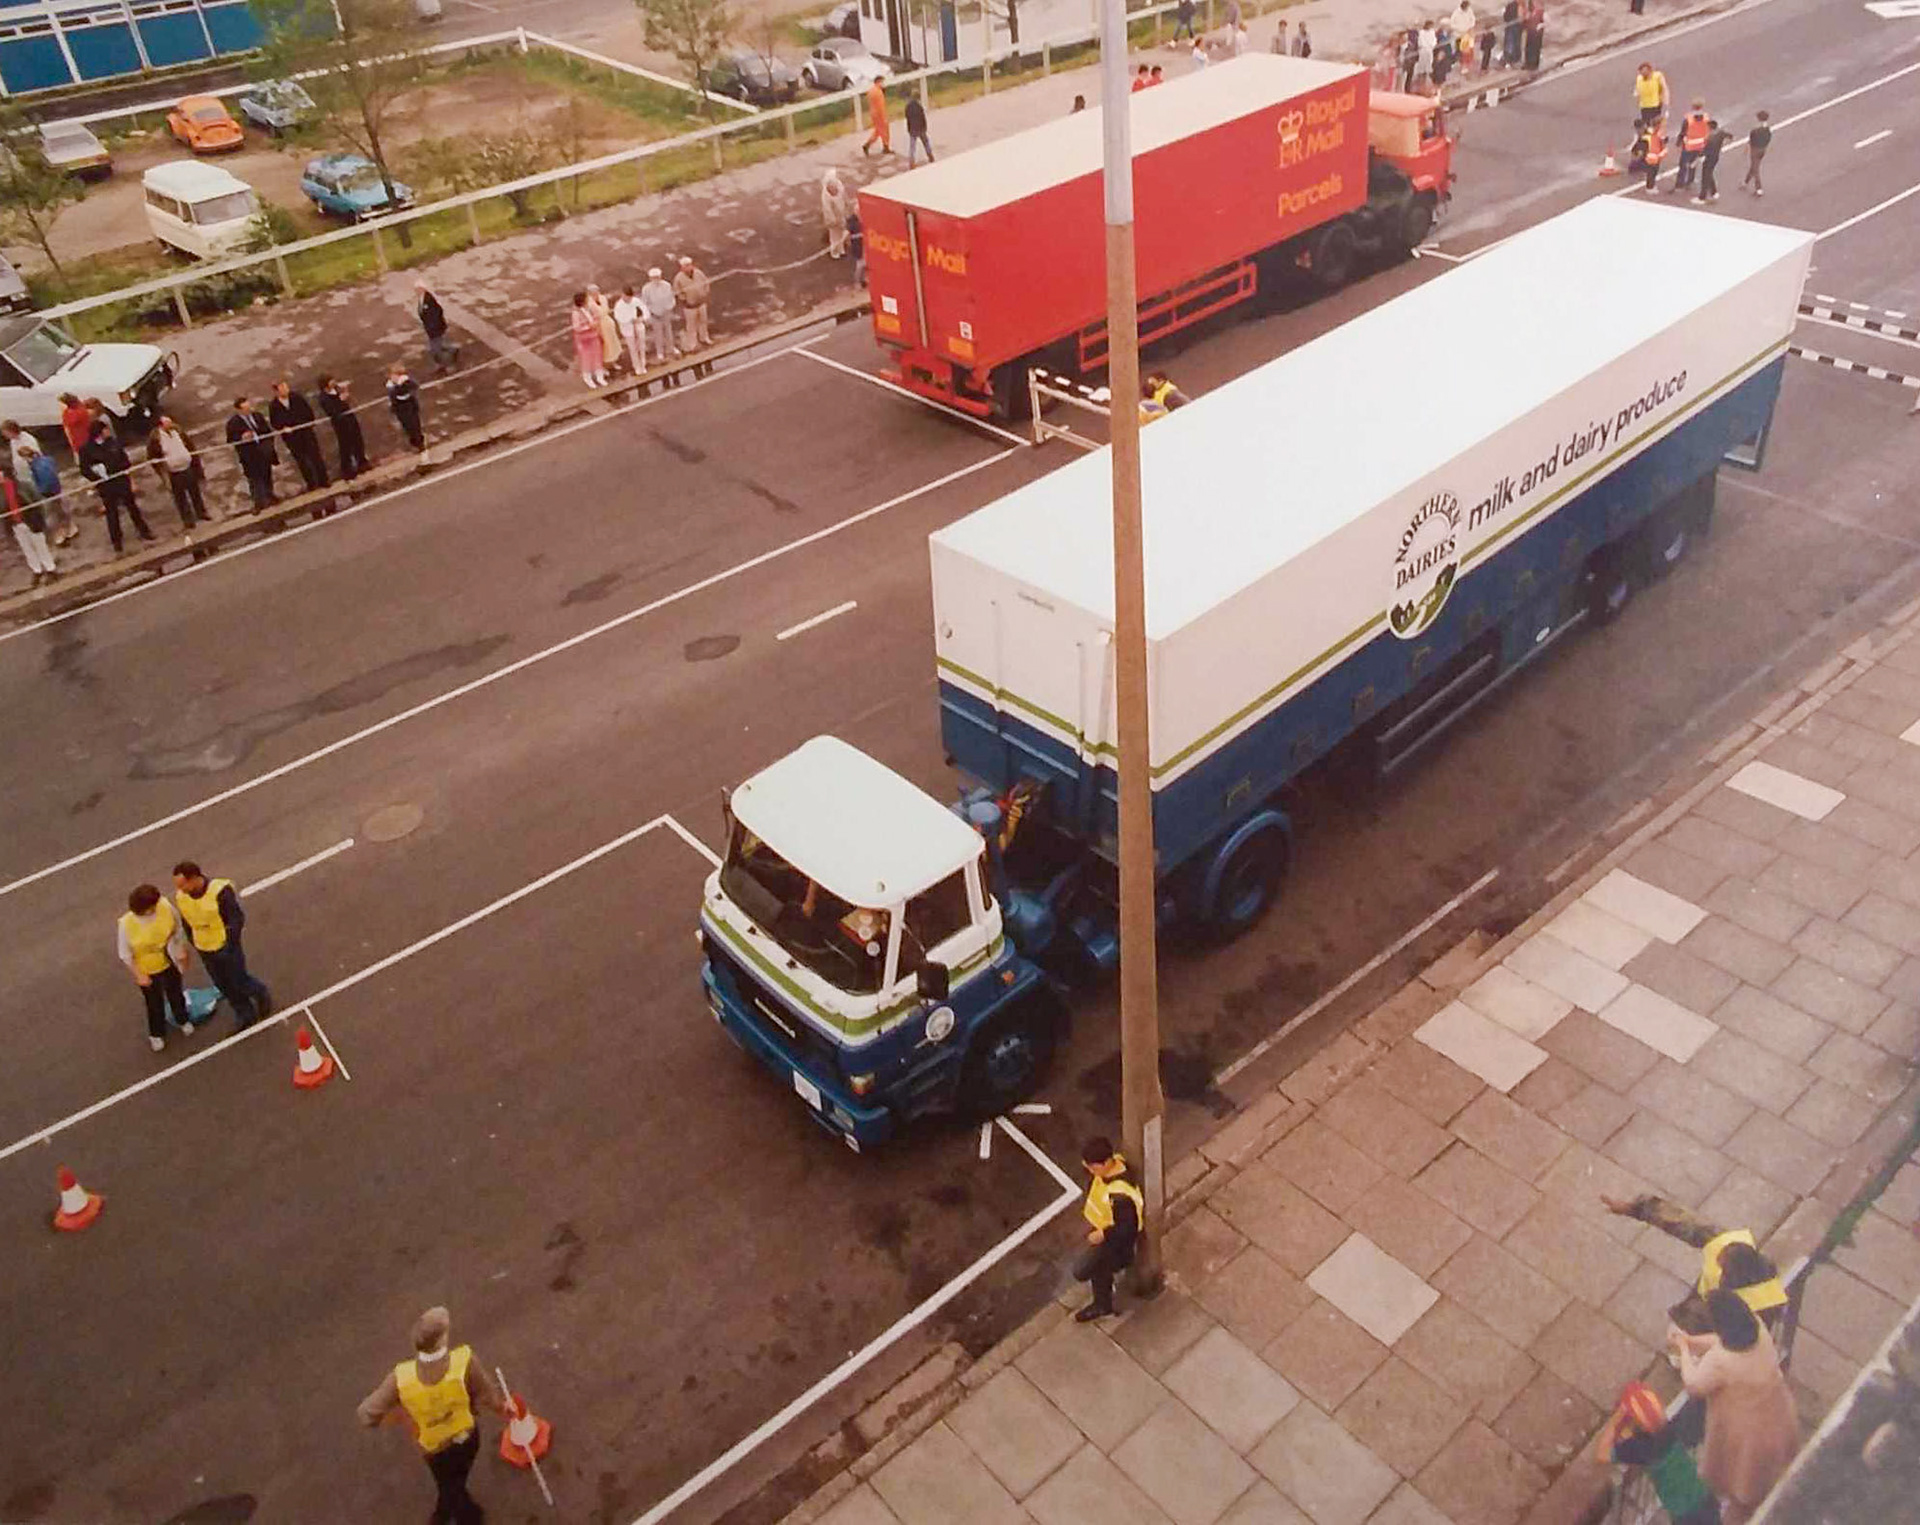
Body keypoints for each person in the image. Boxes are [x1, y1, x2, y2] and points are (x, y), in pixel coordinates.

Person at [358, 1307, 511, 1525]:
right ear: (441, 1340)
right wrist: (504, 1408)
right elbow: (488, 1396)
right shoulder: (465, 1361)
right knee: (454, 1484)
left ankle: (444, 1514)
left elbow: (366, 1415)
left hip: (433, 1448)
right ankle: (469, 1518)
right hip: (466, 1438)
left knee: (447, 1482)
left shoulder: (400, 1377)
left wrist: (403, 1417)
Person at [1676, 1290, 1798, 1524]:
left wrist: (1683, 1349)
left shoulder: (1721, 1361)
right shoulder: (1759, 1330)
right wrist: (1690, 1341)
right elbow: (1719, 1342)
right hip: (1777, 1417)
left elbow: (1694, 1384)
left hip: (1747, 1438)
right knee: (1762, 1479)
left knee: (1742, 1494)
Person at [1600, 1193, 1789, 1336]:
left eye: (1721, 1266)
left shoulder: (1754, 1309)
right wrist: (1637, 1209)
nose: (1716, 1260)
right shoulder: (1729, 1246)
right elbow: (1685, 1223)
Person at [1597, 1383, 1720, 1525]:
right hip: (1705, 1501)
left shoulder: (1643, 1448)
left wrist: (1619, 1415)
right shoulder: (1675, 1428)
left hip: (1684, 1515)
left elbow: (1602, 1453)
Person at [172, 860, 271, 1030]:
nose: (181, 889)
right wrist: (193, 942)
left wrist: (230, 944)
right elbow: (186, 920)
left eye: (183, 885)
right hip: (205, 949)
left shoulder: (220, 891)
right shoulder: (182, 897)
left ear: (194, 878)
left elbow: (236, 918)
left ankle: (261, 993)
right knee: (223, 984)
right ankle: (244, 1013)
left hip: (226, 947)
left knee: (239, 980)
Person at [1072, 1136, 1143, 1321]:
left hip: (1115, 1243)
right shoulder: (1116, 1163)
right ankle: (1103, 1303)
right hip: (1107, 1233)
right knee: (1098, 1270)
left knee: (1083, 1270)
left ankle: (1103, 1304)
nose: (1088, 1170)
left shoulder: (1120, 1196)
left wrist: (1102, 1234)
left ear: (1104, 1164)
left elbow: (1127, 1229)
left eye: (1091, 1167)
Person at [120, 883, 194, 1052]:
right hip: (147, 967)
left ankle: (182, 1019)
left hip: (169, 959)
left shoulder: (165, 906)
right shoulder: (126, 924)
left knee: (176, 993)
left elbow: (178, 928)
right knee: (154, 1003)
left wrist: (181, 948)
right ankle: (156, 1033)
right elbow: (125, 953)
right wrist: (138, 974)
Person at [81, 417, 153, 553]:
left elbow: (124, 459)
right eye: (105, 429)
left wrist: (120, 470)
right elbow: (84, 469)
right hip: (106, 486)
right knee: (112, 514)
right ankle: (117, 541)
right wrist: (97, 477)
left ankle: (144, 531)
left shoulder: (113, 442)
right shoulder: (86, 449)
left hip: (121, 480)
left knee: (132, 507)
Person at [6, 421, 74, 546]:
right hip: (26, 478)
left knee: (52, 509)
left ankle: (62, 530)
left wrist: (41, 487)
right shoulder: (13, 442)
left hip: (40, 482)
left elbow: (37, 459)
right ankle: (64, 528)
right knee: (51, 507)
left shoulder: (29, 441)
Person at [145, 416, 208, 536]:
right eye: (167, 423)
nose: (171, 424)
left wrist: (196, 465)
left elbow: (190, 446)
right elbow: (152, 457)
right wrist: (162, 470)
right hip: (173, 472)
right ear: (161, 425)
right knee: (180, 498)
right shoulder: (155, 439)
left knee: (195, 492)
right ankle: (187, 520)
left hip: (187, 467)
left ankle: (201, 512)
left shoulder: (178, 431)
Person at [268, 379, 330, 495]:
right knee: (301, 461)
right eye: (282, 388)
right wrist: (283, 428)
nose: (285, 390)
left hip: (306, 433)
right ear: (276, 391)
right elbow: (274, 422)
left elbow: (308, 413)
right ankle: (311, 483)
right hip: (291, 438)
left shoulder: (297, 398)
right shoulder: (274, 406)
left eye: (286, 387)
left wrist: (303, 424)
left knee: (315, 456)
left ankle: (324, 481)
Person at [4, 458, 55, 585]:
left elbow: (36, 500)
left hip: (31, 521)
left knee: (40, 545)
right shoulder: (1, 492)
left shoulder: (23, 486)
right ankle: (37, 570)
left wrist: (40, 517)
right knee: (27, 548)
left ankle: (50, 569)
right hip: (15, 523)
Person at [226, 395, 278, 512]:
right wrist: (242, 438)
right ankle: (259, 503)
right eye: (245, 409)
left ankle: (270, 496)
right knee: (255, 481)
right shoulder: (233, 423)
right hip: (249, 457)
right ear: (239, 410)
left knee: (267, 477)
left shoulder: (257, 416)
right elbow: (230, 440)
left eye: (249, 407)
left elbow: (267, 431)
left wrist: (268, 446)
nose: (249, 410)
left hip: (263, 453)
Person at [318, 375, 369, 481]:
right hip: (340, 424)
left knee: (357, 441)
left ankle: (362, 462)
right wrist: (340, 399)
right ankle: (347, 470)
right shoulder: (323, 397)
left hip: (350, 419)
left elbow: (345, 404)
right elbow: (332, 410)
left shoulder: (336, 390)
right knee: (346, 446)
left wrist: (345, 395)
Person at [415, 281, 459, 373]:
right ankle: (450, 353)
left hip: (435, 329)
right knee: (437, 348)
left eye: (418, 289)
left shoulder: (429, 299)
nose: (416, 291)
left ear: (423, 289)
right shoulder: (421, 299)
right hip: (430, 330)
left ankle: (449, 364)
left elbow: (438, 311)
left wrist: (435, 325)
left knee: (436, 349)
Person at [641, 267, 678, 370]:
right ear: (650, 278)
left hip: (666, 312)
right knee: (658, 334)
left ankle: (671, 349)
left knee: (669, 331)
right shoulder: (646, 289)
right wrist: (650, 313)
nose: (656, 279)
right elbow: (644, 303)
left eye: (657, 277)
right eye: (653, 277)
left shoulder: (666, 285)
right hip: (654, 314)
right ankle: (660, 353)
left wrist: (669, 308)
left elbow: (671, 298)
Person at [673, 255, 712, 352]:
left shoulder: (698, 273)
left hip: (701, 302)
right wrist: (685, 300)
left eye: (689, 265)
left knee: (703, 322)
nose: (688, 267)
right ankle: (693, 344)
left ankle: (704, 338)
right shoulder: (678, 278)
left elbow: (706, 282)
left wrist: (705, 293)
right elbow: (677, 291)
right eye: (686, 265)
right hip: (689, 306)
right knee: (691, 326)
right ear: (682, 267)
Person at [570, 291, 606, 388]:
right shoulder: (576, 313)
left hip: (593, 336)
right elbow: (577, 327)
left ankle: (599, 376)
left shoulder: (589, 308)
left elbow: (596, 316)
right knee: (587, 359)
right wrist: (589, 327)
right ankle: (588, 377)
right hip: (584, 339)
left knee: (597, 356)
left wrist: (595, 323)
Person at [386, 363, 425, 454]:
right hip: (400, 410)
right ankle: (415, 444)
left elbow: (413, 388)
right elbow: (393, 398)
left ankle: (420, 444)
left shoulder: (406, 382)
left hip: (409, 407)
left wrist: (401, 385)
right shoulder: (390, 386)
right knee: (407, 428)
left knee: (415, 426)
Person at [1674, 100, 1711, 191]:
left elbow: (1683, 132)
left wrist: (1678, 142)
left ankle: (1680, 184)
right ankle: (1690, 181)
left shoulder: (1688, 119)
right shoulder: (1706, 118)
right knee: (1693, 164)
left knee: (1683, 165)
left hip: (1688, 146)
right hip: (1700, 145)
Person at [587, 284, 621, 377]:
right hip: (599, 326)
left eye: (597, 291)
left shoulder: (603, 298)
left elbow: (606, 309)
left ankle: (613, 362)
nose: (596, 294)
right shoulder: (589, 304)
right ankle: (603, 366)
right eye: (593, 293)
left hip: (608, 323)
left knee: (612, 344)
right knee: (603, 346)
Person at [613, 283, 645, 373]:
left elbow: (644, 311)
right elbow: (618, 318)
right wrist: (629, 320)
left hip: (638, 326)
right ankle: (637, 367)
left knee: (641, 346)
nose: (628, 299)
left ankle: (643, 364)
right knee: (633, 348)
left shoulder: (636, 301)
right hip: (628, 329)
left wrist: (640, 319)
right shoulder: (618, 305)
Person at [821, 169, 850, 258]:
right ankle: (834, 251)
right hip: (833, 217)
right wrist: (832, 219)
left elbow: (844, 196)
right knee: (834, 234)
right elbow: (827, 209)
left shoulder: (839, 185)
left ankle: (841, 249)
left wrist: (847, 204)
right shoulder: (826, 196)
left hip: (841, 213)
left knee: (841, 231)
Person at [1699, 118, 1729, 202]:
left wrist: (1700, 155)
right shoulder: (1720, 132)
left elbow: (1705, 150)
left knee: (1705, 176)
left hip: (1709, 158)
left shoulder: (1710, 138)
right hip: (1715, 157)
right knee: (1709, 173)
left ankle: (1703, 196)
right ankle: (1713, 191)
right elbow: (1729, 136)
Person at [1633, 61, 1668, 128]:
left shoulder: (1657, 76)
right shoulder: (1639, 78)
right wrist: (1637, 95)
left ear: (1649, 71)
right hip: (1644, 106)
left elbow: (1664, 88)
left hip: (1655, 105)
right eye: (1641, 73)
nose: (1643, 75)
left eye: (1644, 73)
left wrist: (1665, 101)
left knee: (1656, 124)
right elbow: (1637, 90)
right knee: (1647, 125)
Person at [862, 75, 891, 156]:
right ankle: (885, 147)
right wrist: (884, 117)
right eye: (882, 82)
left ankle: (869, 145)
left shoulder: (871, 91)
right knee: (884, 130)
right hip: (879, 114)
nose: (883, 84)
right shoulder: (879, 92)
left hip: (873, 114)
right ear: (878, 82)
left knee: (878, 131)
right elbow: (881, 106)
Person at [1743, 109, 1770, 195]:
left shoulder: (1755, 130)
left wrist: (1747, 149)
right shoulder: (1767, 129)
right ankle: (1745, 182)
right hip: (1763, 149)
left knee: (1755, 169)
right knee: (1754, 166)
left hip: (1755, 150)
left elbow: (1751, 141)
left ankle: (1759, 188)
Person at [58, 392, 91, 460]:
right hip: (88, 438)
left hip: (79, 442)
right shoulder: (81, 408)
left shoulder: (69, 414)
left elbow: (68, 430)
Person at [905, 93, 934, 165]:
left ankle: (911, 161)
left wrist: (909, 128)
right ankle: (930, 156)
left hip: (912, 129)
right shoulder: (919, 106)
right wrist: (925, 127)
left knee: (912, 146)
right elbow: (922, 117)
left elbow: (908, 119)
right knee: (926, 142)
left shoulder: (908, 107)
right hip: (921, 128)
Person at [1639, 116, 1667, 190]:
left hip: (1656, 156)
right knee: (1651, 173)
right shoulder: (1652, 133)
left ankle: (1651, 185)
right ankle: (1649, 187)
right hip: (1651, 155)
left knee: (1654, 172)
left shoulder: (1658, 133)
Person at [847, 207, 866, 287]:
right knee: (860, 264)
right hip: (857, 246)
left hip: (864, 244)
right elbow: (848, 233)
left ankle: (863, 279)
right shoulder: (852, 221)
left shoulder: (864, 217)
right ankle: (857, 281)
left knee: (865, 263)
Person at [1522, 0, 1544, 68]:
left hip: (1536, 29)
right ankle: (1529, 63)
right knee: (1529, 47)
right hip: (1531, 29)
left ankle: (1533, 64)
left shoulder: (1539, 9)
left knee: (1535, 47)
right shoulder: (1530, 10)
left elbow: (1542, 17)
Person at [1501, 0, 1521, 64]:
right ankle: (1515, 58)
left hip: (1511, 27)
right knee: (1515, 42)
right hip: (1515, 27)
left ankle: (1508, 58)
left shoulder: (1511, 6)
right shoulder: (1519, 5)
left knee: (1510, 43)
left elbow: (1506, 17)